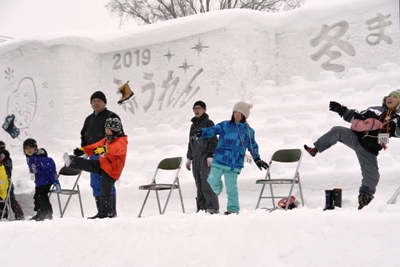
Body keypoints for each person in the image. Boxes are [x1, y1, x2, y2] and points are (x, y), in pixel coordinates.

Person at [304, 90, 400, 209]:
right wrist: (341, 109)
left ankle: (365, 198)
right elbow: (356, 117)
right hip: (355, 138)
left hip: (368, 151)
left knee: (372, 175)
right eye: (389, 96)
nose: (390, 98)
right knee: (337, 130)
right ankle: (316, 148)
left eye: (394, 97)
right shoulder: (374, 109)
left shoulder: (396, 120)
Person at [191, 101, 269, 215]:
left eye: (240, 113)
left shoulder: (248, 131)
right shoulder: (225, 125)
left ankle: (233, 209)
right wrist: (201, 132)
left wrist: (257, 158)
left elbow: (253, 145)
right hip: (219, 160)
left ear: (245, 115)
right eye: (235, 112)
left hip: (234, 164)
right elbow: (212, 130)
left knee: (231, 188)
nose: (237, 115)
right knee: (211, 179)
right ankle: (218, 189)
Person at [64, 117, 127, 219]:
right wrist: (83, 150)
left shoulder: (121, 140)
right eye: (105, 129)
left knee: (105, 189)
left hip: (113, 170)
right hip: (103, 165)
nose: (106, 131)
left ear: (115, 130)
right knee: (89, 164)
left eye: (108, 129)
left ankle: (107, 213)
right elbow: (94, 146)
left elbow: (117, 149)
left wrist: (105, 149)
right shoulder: (106, 140)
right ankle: (72, 161)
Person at [80, 91, 123, 216]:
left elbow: (118, 136)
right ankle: (101, 211)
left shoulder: (112, 116)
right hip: (93, 155)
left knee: (106, 182)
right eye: (94, 101)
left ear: (105, 102)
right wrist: (84, 150)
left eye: (99, 100)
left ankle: (110, 211)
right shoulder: (89, 119)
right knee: (95, 183)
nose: (96, 103)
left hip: (107, 155)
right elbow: (84, 135)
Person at [186, 101, 219, 214]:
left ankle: (212, 206)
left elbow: (213, 140)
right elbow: (190, 143)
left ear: (204, 110)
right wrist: (189, 158)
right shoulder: (193, 125)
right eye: (195, 108)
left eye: (199, 108)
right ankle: (201, 207)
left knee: (207, 182)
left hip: (205, 157)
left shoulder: (209, 123)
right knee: (198, 183)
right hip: (196, 158)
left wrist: (210, 154)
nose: (196, 110)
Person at [24, 138, 58, 221]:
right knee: (37, 197)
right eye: (26, 148)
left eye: (31, 148)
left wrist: (55, 181)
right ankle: (40, 212)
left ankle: (47, 213)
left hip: (46, 181)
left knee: (42, 196)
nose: (29, 150)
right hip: (39, 182)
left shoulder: (41, 159)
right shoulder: (30, 159)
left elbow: (51, 170)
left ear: (35, 149)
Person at [0, 140, 24, 220]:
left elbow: (8, 171)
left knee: (11, 200)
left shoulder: (7, 158)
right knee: (10, 200)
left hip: (7, 182)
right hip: (5, 182)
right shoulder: (8, 158)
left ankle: (19, 215)